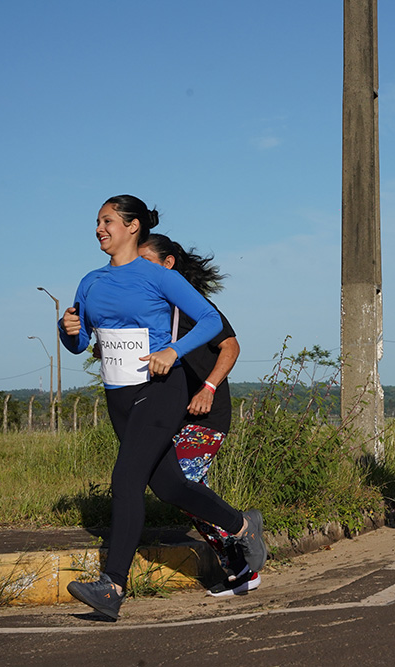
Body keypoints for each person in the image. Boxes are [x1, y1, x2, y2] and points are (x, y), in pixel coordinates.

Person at [59, 195, 266, 620]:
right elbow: (80, 343)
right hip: (118, 395)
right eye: (97, 222)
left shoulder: (157, 276)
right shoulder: (90, 282)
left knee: (126, 478)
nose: (99, 229)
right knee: (169, 486)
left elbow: (211, 321)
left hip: (159, 388)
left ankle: (112, 586)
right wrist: (67, 330)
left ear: (133, 226)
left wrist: (173, 351)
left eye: (108, 221)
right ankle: (243, 525)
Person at [138, 233, 259, 597]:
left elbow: (231, 346)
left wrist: (208, 387)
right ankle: (240, 559)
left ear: (168, 264)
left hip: (205, 413)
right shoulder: (146, 309)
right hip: (168, 414)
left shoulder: (190, 305)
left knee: (185, 481)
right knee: (180, 489)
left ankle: (243, 545)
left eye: (145, 262)